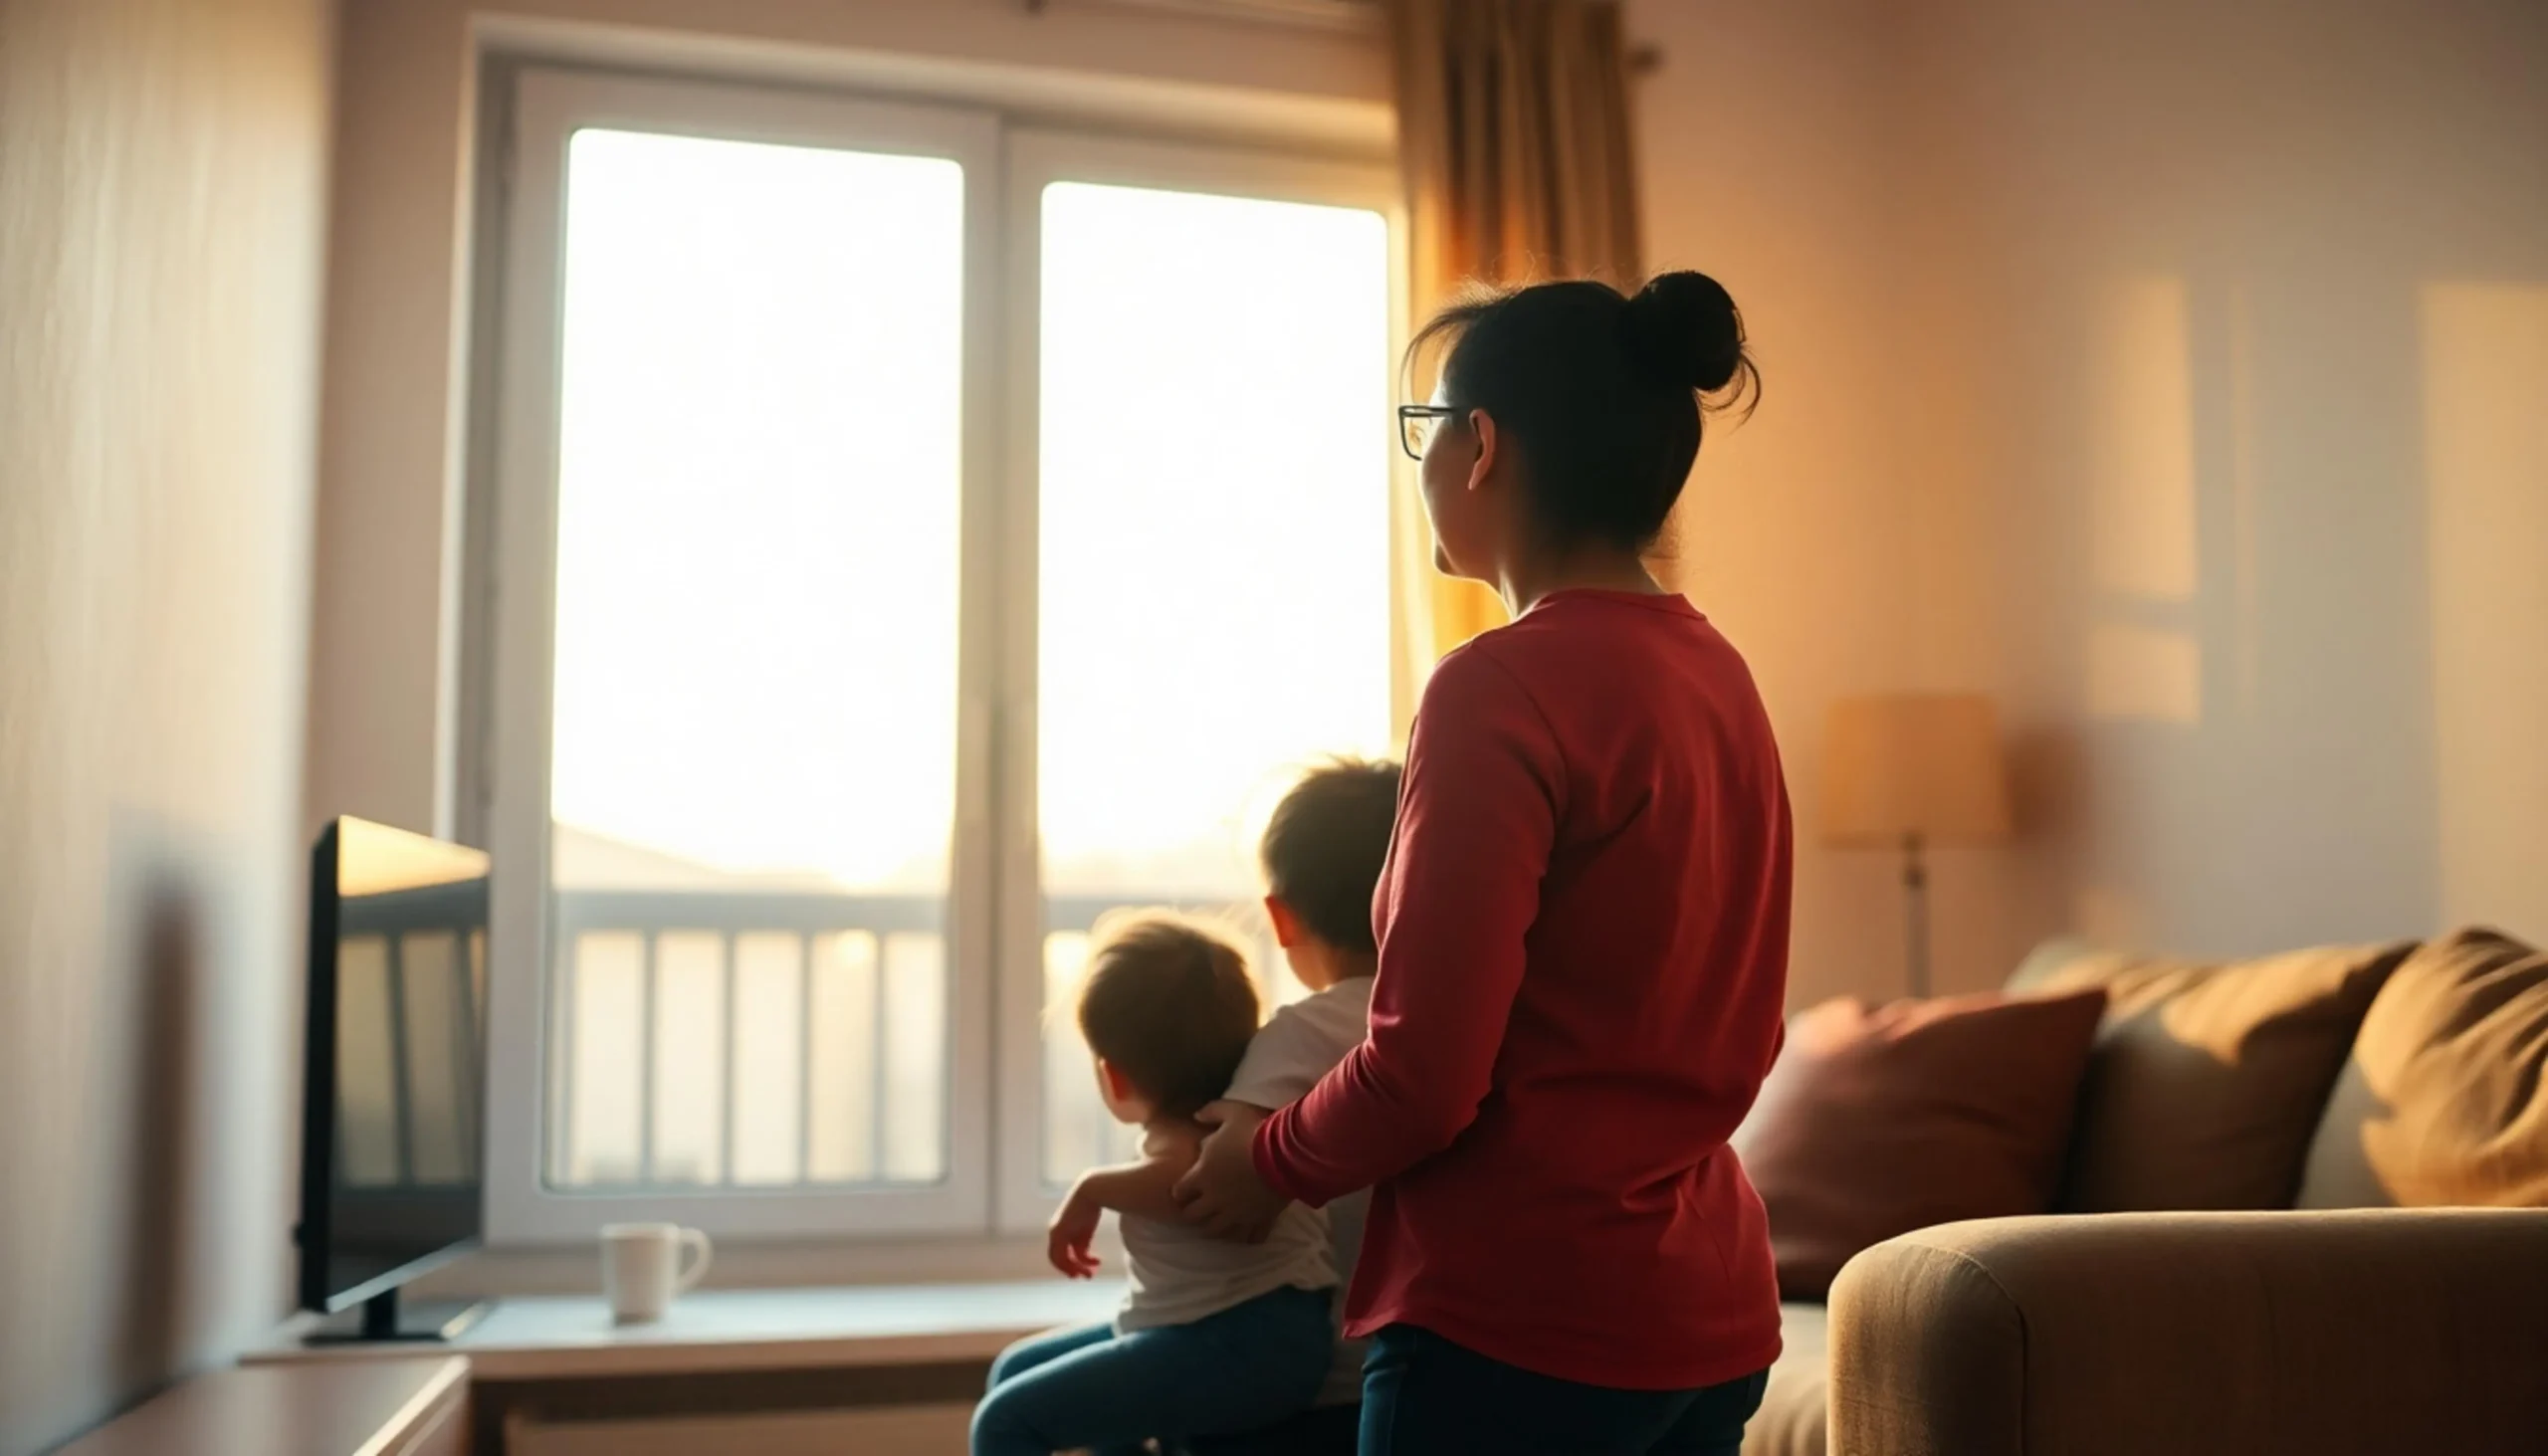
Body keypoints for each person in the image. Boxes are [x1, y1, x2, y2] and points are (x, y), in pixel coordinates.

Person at [1176, 271, 1792, 1456]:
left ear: (1480, 445)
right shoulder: (1720, 674)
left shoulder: (1496, 686)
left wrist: (1263, 1158)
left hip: (1521, 1326)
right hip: (1710, 1314)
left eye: (1427, 428)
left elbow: (1425, 1073)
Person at [973, 916, 1335, 1456]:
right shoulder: (1238, 1111)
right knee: (1015, 1369)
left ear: (1113, 1077)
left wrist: (1091, 1188)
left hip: (1252, 1343)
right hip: (1242, 1332)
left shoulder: (1196, 1134)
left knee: (1005, 1422)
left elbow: (1179, 1183)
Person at [1184, 757, 1403, 1456]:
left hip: (1318, 1382)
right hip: (1425, 1368)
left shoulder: (1297, 1036)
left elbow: (1215, 1194)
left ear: (1280, 916)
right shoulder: (1478, 1025)